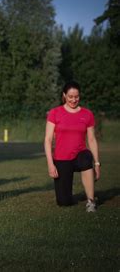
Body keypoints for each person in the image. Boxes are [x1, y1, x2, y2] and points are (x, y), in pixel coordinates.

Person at [44, 81, 100, 212]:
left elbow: (91, 139)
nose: (74, 100)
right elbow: (47, 140)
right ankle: (68, 197)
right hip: (61, 158)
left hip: (80, 154)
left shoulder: (87, 114)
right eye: (70, 97)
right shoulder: (55, 113)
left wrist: (96, 163)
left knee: (86, 157)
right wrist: (50, 164)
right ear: (64, 95)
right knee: (63, 202)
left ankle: (91, 201)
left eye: (76, 97)